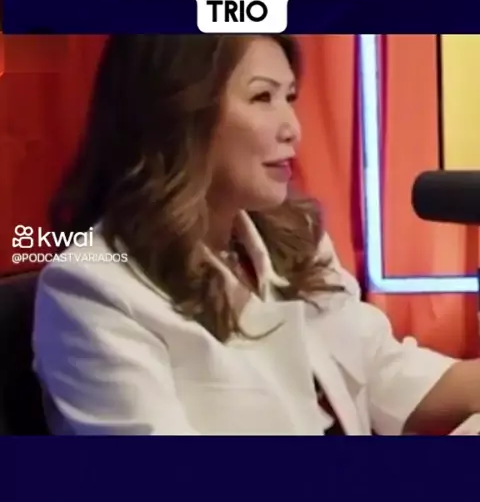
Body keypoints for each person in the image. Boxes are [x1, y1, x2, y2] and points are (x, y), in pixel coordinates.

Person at [32, 34, 480, 436]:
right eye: (263, 97)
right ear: (179, 112)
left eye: (290, 97)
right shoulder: (92, 290)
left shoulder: (295, 241)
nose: (293, 129)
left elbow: (385, 375)